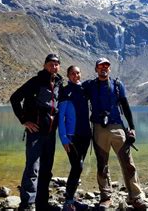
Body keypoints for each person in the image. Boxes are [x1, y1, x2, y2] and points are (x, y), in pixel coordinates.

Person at [83, 57, 146, 210]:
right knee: (102, 164)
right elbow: (75, 92)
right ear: (96, 69)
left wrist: (132, 127)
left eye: (106, 66)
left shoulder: (117, 85)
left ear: (109, 69)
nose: (103, 68)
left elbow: (125, 106)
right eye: (100, 66)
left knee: (128, 163)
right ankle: (105, 197)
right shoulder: (89, 86)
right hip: (98, 128)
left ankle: (135, 197)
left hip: (118, 127)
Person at [10, 53, 63, 211]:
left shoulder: (60, 83)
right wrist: (24, 120)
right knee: (33, 167)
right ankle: (27, 204)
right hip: (36, 132)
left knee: (47, 168)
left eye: (56, 64)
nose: (54, 66)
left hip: (51, 133)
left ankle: (42, 203)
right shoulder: (36, 82)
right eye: (50, 64)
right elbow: (15, 98)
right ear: (44, 65)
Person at [58, 66, 91, 211]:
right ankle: (68, 202)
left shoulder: (84, 90)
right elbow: (61, 118)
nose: (75, 75)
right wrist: (64, 139)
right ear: (68, 75)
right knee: (77, 166)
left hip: (85, 135)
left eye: (78, 73)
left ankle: (71, 199)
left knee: (78, 167)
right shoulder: (66, 92)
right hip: (72, 137)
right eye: (72, 73)